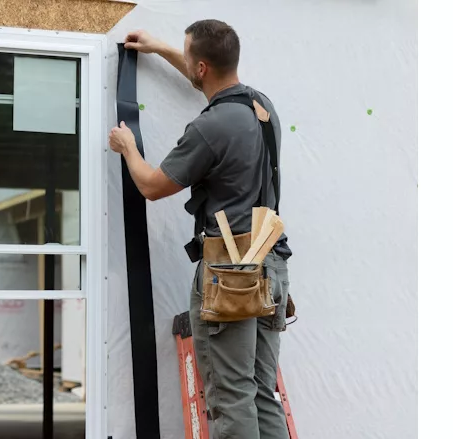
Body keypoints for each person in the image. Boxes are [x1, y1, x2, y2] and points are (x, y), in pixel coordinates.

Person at [108, 20, 292, 439]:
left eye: (189, 56)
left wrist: (129, 148)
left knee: (229, 395)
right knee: (263, 391)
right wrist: (160, 48)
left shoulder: (209, 129)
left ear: (202, 67)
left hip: (231, 275)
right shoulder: (262, 108)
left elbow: (153, 186)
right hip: (272, 265)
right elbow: (206, 80)